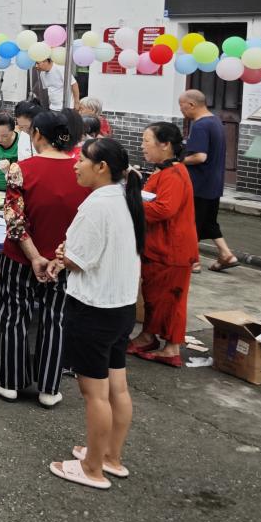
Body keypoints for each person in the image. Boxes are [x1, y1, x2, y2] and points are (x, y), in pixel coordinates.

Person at [45, 137, 144, 490]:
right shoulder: (125, 198)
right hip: (120, 306)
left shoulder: (96, 205)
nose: (75, 165)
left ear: (101, 167)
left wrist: (64, 254)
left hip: (94, 308)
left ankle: (91, 468)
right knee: (117, 387)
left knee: (95, 393)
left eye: (81, 160)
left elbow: (77, 259)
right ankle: (111, 457)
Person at [0, 110, 88, 408]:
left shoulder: (21, 169)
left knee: (14, 316)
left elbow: (14, 221)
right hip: (63, 261)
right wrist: (55, 258)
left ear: (38, 135)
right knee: (55, 319)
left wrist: (34, 257)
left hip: (20, 258)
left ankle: (10, 382)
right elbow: (85, 222)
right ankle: (49, 387)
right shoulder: (82, 171)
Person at [129, 122, 197, 368]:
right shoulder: (165, 172)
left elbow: (163, 209)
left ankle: (172, 347)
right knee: (154, 298)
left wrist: (132, 203)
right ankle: (147, 336)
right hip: (159, 247)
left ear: (165, 145)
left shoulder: (175, 174)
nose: (142, 146)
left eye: (147, 141)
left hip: (173, 249)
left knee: (172, 301)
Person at [178, 90, 240, 272]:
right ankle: (226, 254)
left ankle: (193, 261)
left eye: (181, 106)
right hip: (214, 183)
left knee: (191, 222)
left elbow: (200, 156)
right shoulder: (216, 121)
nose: (181, 110)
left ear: (191, 105)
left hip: (199, 183)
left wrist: (178, 161)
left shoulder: (200, 125)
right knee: (209, 222)